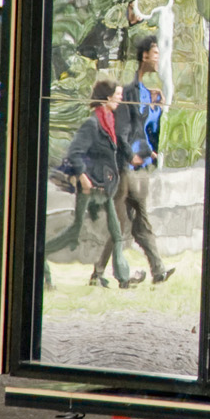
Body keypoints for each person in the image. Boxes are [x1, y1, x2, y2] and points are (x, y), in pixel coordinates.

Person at [58, 80, 142, 289]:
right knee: (75, 231)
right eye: (117, 95)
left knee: (116, 232)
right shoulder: (93, 123)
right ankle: (43, 256)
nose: (120, 99)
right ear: (106, 97)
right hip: (90, 187)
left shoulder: (107, 120)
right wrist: (84, 177)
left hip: (103, 187)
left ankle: (122, 279)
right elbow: (75, 152)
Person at [110, 36, 179, 287]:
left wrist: (155, 108)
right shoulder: (129, 91)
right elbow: (123, 130)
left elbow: (144, 128)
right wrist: (132, 155)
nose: (158, 58)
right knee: (120, 226)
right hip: (126, 169)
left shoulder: (145, 93)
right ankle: (101, 274)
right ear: (144, 56)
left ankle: (158, 270)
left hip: (138, 169)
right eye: (155, 53)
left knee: (139, 223)